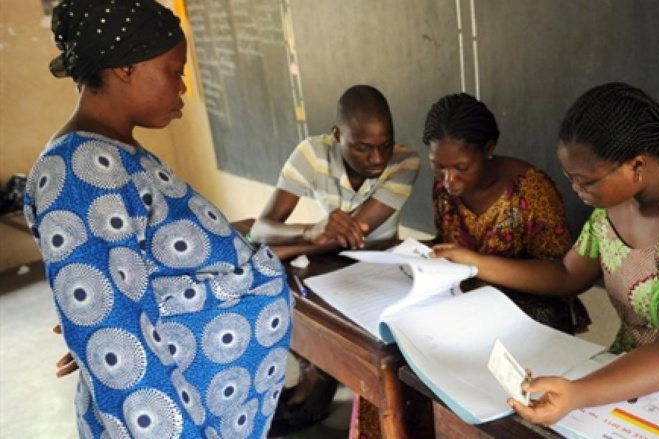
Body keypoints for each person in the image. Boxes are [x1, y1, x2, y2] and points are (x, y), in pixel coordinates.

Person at [432, 82, 659, 426]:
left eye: (586, 181)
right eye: (571, 178)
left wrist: (578, 393)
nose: (577, 191)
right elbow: (567, 275)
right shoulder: (612, 206)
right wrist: (476, 263)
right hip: (642, 374)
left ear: (636, 165)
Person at [24, 1, 293, 437]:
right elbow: (119, 350)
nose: (182, 87)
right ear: (126, 68)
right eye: (174, 70)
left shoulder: (114, 154)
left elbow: (134, 290)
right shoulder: (81, 171)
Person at [248, 84, 421, 436]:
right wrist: (311, 232)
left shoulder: (406, 162)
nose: (376, 158)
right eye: (362, 147)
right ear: (337, 135)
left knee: (370, 353)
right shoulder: (312, 154)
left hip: (380, 266)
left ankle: (336, 392)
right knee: (289, 303)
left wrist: (290, 245)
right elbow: (262, 228)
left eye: (384, 144)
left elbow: (353, 234)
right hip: (330, 264)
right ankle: (317, 380)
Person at [424, 92, 590, 334]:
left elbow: (560, 273)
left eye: (462, 167)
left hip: (528, 317)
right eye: (438, 166)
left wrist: (478, 264)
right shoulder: (444, 186)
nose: (448, 179)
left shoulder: (531, 191)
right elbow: (447, 242)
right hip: (463, 305)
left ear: (488, 148)